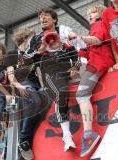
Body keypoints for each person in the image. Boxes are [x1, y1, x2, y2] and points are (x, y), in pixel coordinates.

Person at [26, 8, 80, 152]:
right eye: (40, 16)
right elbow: (24, 60)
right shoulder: (36, 38)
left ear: (54, 19)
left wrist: (75, 67)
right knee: (61, 94)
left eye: (46, 15)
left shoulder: (62, 33)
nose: (42, 18)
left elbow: (75, 54)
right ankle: (67, 135)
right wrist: (40, 49)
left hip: (67, 70)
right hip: (50, 72)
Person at [68, 3, 115, 157]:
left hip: (98, 63)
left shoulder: (99, 24)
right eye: (88, 13)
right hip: (94, 64)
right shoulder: (95, 26)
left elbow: (97, 40)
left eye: (93, 12)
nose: (89, 15)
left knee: (81, 94)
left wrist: (80, 38)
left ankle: (89, 134)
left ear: (100, 13)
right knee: (81, 94)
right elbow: (84, 54)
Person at [11, 28, 47, 160]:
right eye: (33, 37)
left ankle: (26, 146)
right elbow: (10, 75)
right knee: (35, 103)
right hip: (23, 84)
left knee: (36, 114)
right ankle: (23, 139)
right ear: (26, 38)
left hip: (35, 85)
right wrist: (19, 86)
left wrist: (43, 87)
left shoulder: (34, 54)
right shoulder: (13, 55)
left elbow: (38, 71)